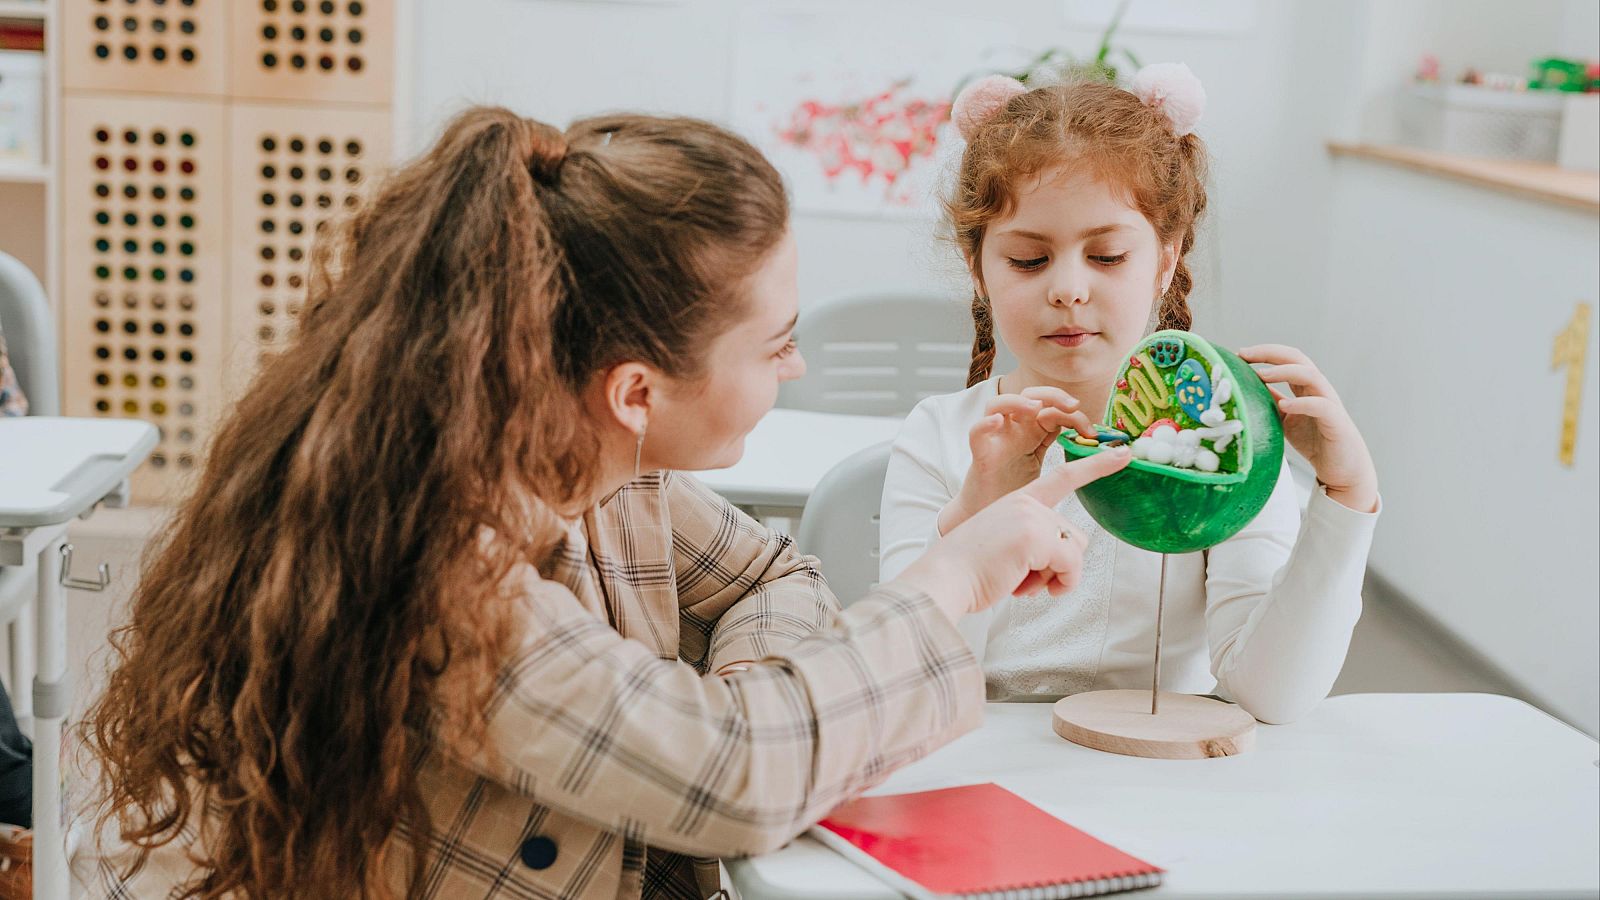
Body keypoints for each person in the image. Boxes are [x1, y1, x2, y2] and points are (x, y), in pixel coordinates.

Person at [80, 107, 1128, 898]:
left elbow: (775, 573)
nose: (801, 365)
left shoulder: (597, 464)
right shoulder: (450, 571)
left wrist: (757, 696)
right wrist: (948, 578)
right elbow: (738, 778)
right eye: (774, 346)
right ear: (637, 392)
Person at [879, 66, 1381, 723]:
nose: (1068, 290)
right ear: (979, 268)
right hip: (981, 774)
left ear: (1165, 261)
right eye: (1029, 260)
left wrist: (1347, 495)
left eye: (1108, 256)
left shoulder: (1222, 448)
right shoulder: (939, 438)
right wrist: (985, 505)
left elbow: (1274, 695)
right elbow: (907, 683)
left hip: (1164, 789)